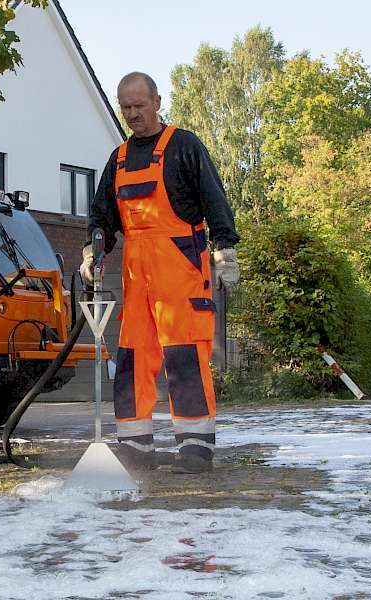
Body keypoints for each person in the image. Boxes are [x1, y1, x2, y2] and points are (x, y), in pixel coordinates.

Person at [81, 72, 239, 475]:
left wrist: (225, 248)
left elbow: (214, 197)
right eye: (126, 107)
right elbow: (102, 216)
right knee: (132, 358)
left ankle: (195, 447)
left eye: (140, 105)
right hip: (137, 274)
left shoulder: (183, 146)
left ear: (157, 101)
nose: (133, 114)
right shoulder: (117, 159)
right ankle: (135, 446)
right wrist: (92, 248)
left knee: (184, 356)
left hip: (181, 267)